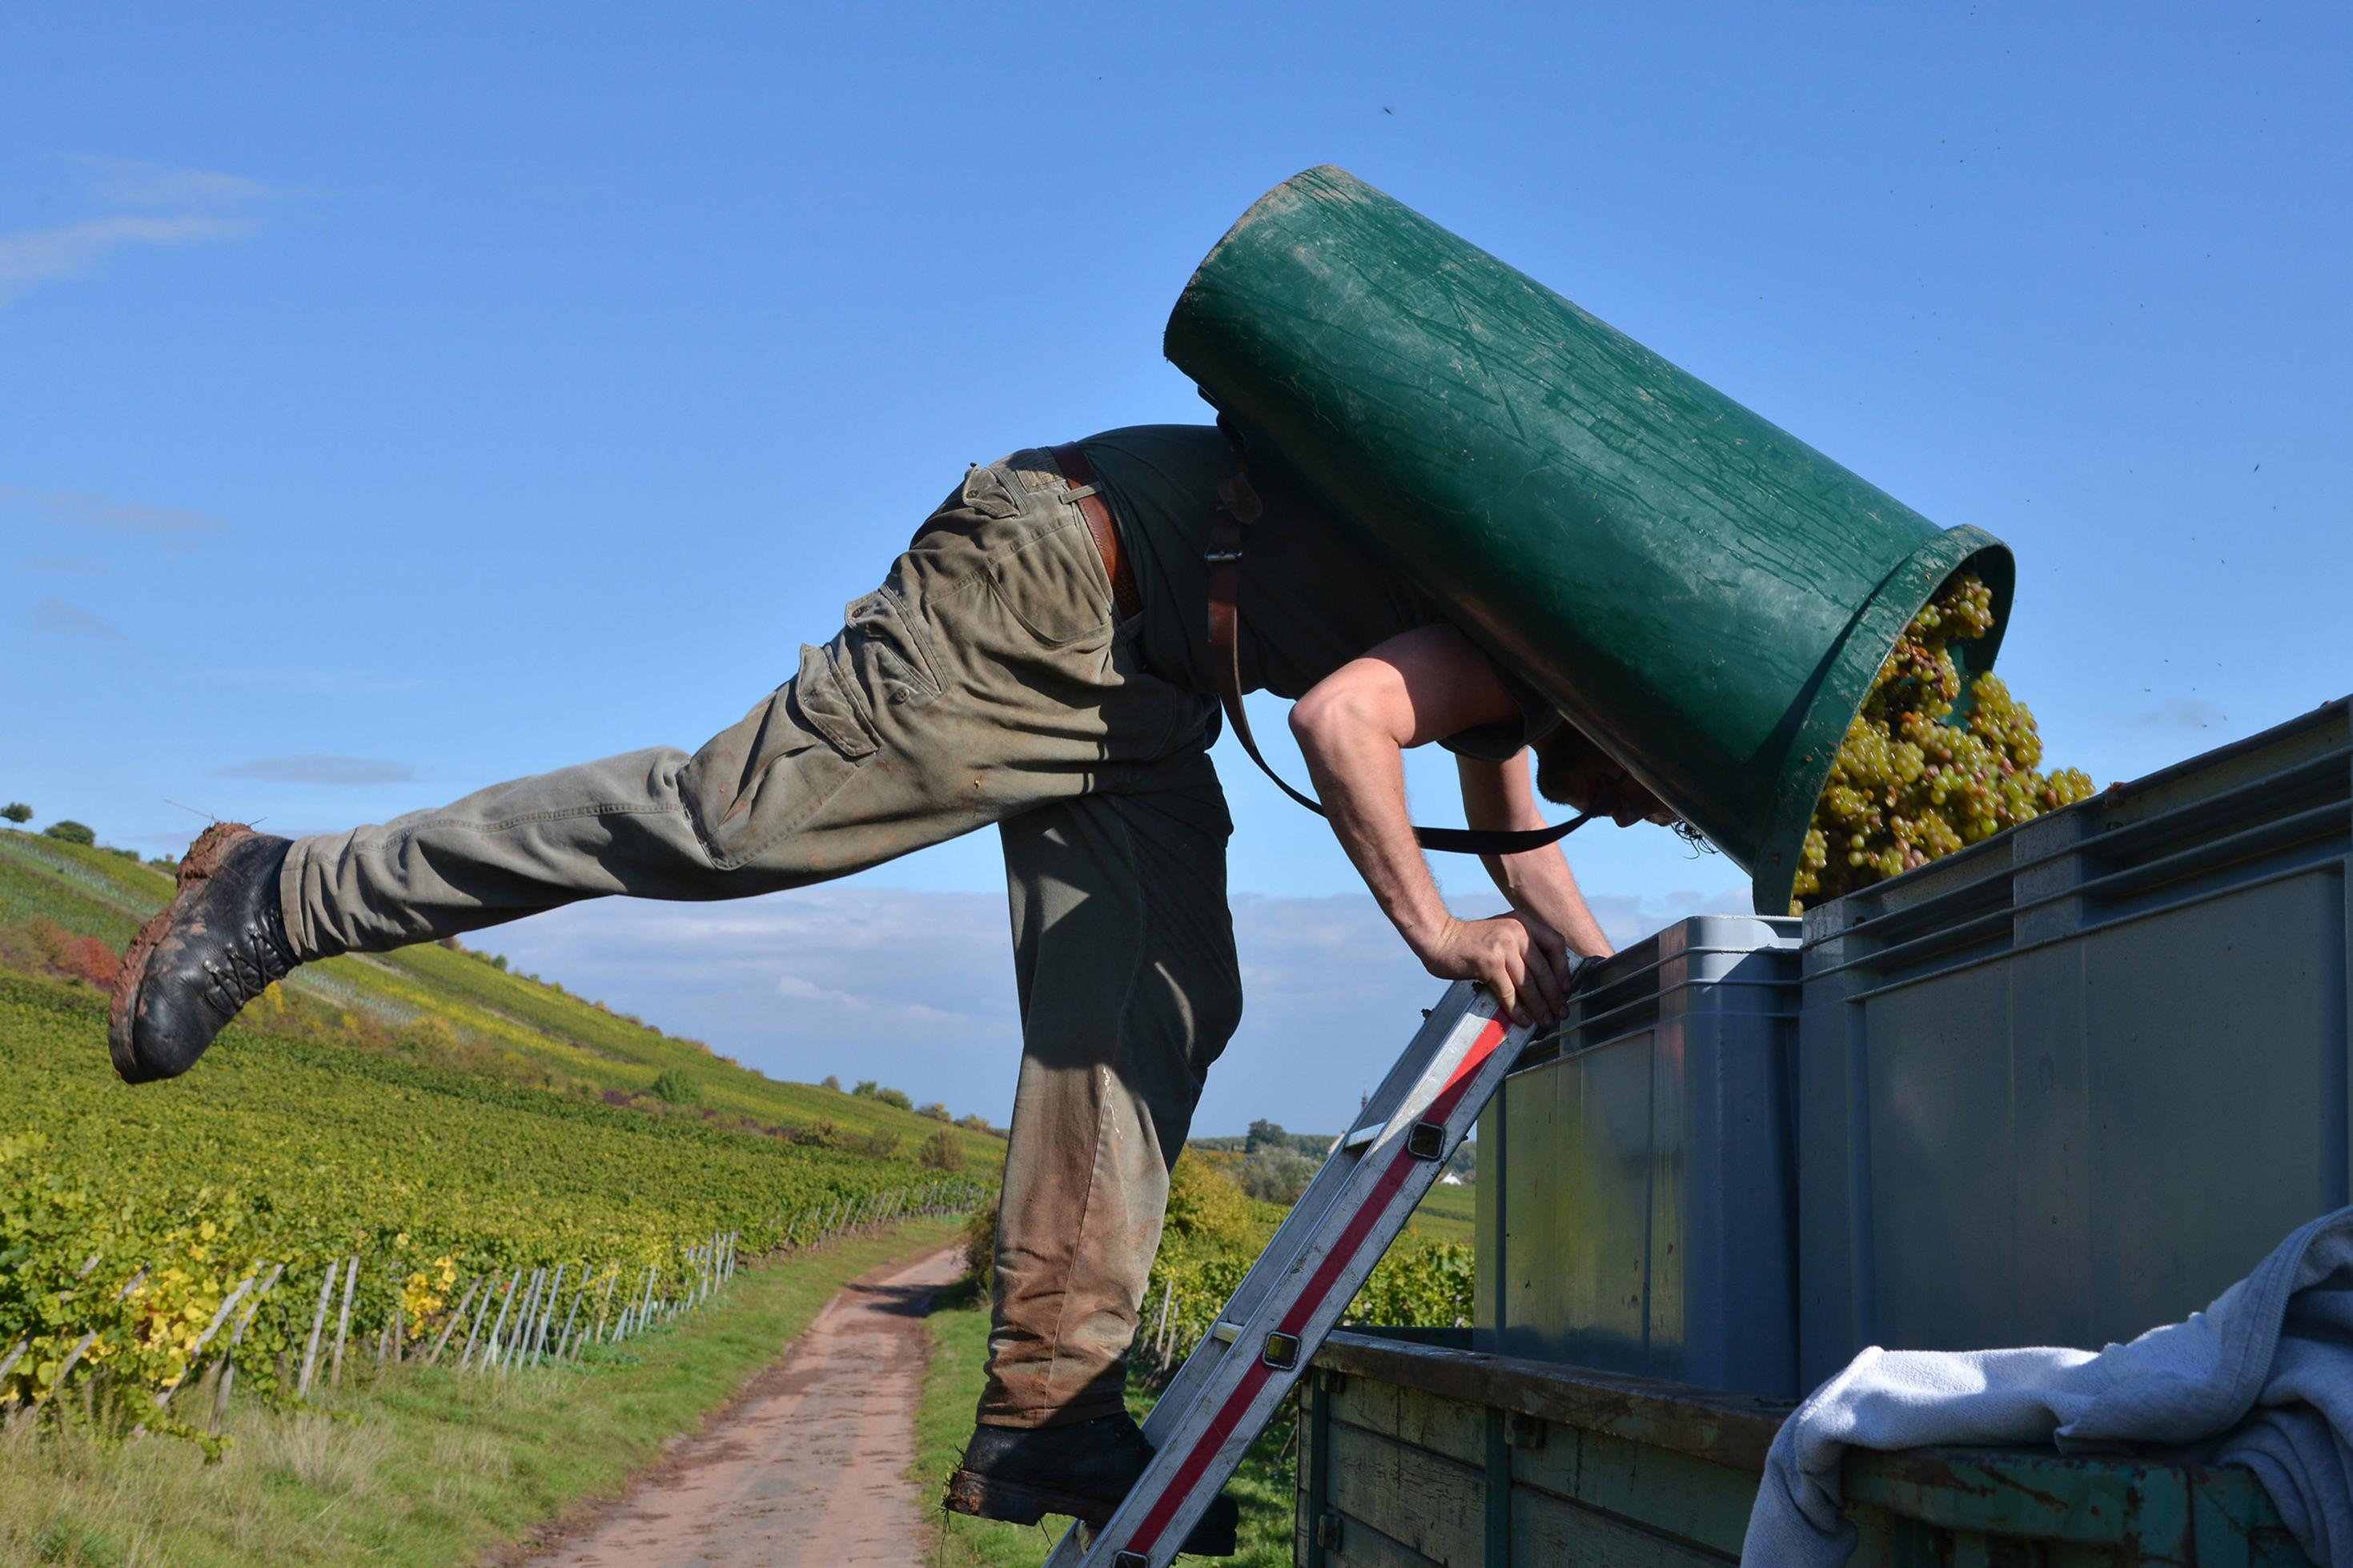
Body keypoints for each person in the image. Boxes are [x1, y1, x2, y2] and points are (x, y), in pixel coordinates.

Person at [109, 424, 1664, 1554]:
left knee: (1159, 990)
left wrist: (1615, 988)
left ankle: (1047, 1407)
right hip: (1050, 578)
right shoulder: (1539, 652)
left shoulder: (1534, 665)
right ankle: (283, 889)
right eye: (1652, 797)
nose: (1647, 810)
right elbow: (1341, 722)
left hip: (1138, 679)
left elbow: (1524, 845)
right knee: (730, 822)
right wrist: (1437, 928)